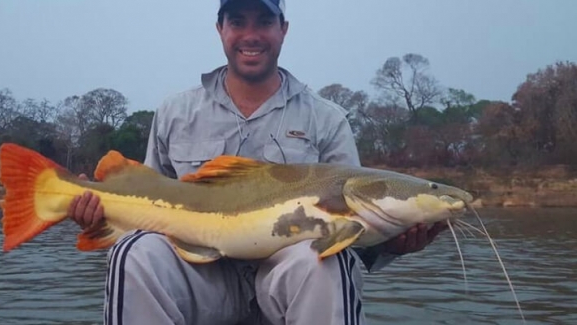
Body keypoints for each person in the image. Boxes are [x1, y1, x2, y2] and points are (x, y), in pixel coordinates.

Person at [69, 0, 447, 324]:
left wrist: (391, 246)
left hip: (287, 278)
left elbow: (350, 238)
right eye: (237, 21)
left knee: (330, 264)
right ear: (220, 28)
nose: (251, 35)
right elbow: (152, 206)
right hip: (201, 275)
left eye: (264, 21)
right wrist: (102, 211)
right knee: (133, 252)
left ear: (283, 29)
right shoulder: (175, 111)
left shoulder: (327, 119)